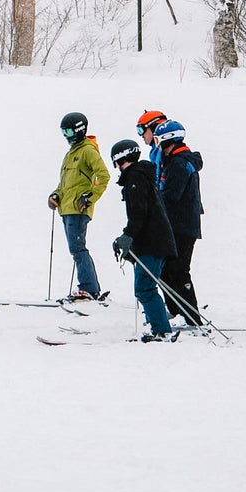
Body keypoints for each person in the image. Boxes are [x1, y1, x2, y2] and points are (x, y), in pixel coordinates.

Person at [108, 138, 178, 342]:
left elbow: (140, 213)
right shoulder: (140, 176)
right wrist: (128, 238)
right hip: (153, 241)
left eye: (116, 162)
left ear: (121, 159)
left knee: (144, 288)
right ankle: (158, 327)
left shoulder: (136, 178)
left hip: (153, 243)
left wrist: (128, 236)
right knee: (145, 286)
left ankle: (161, 331)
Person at [48, 111, 110, 302]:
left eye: (68, 132)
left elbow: (103, 176)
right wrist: (56, 194)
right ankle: (90, 288)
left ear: (78, 130)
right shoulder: (71, 154)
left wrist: (89, 197)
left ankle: (89, 289)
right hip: (66, 209)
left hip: (78, 209)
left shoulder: (88, 151)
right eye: (63, 133)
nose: (66, 137)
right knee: (76, 248)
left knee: (77, 248)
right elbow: (66, 183)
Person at [150, 118, 204, 326]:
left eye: (158, 141)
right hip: (176, 224)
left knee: (179, 270)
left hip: (182, 225)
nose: (156, 146)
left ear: (168, 141)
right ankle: (176, 311)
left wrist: (152, 201)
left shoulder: (180, 163)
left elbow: (171, 195)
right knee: (166, 270)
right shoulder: (173, 161)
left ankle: (191, 317)